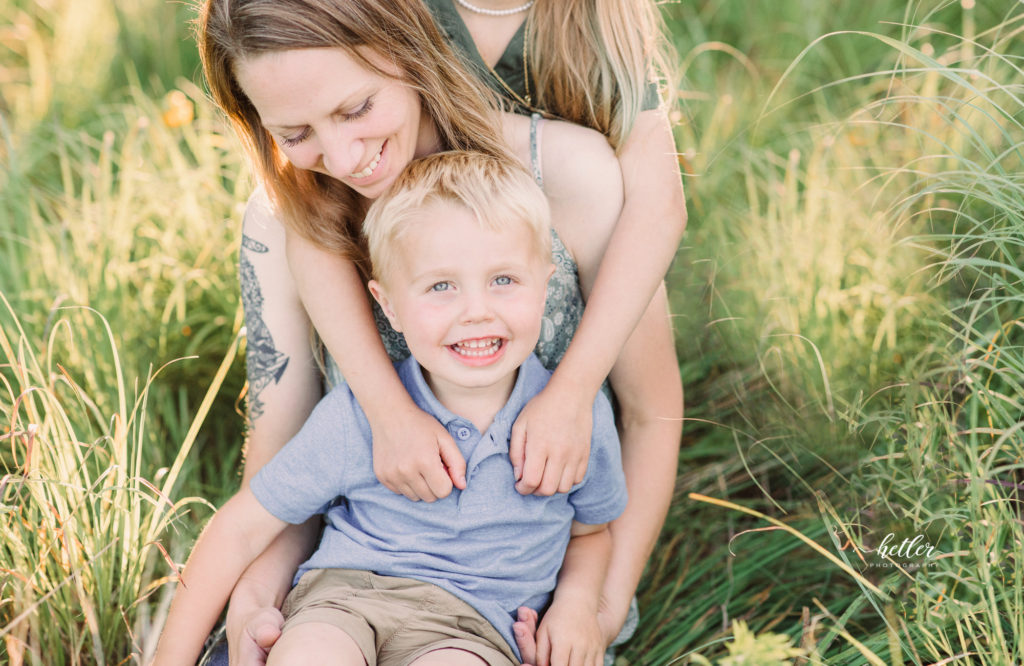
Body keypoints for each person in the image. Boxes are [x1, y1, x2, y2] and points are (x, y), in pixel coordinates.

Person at [193, 0, 682, 662]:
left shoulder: (563, 175)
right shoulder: (289, 217)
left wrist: (598, 609)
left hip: (514, 597)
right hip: (351, 576)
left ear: (407, 54)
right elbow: (283, 437)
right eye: (296, 132)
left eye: (356, 108)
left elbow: (652, 412)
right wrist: (254, 599)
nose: (341, 155)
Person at [153, 151, 628, 666]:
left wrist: (580, 606)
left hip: (477, 626)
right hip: (343, 599)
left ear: (545, 284)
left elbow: (591, 533)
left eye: (504, 280)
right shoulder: (359, 416)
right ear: (389, 306)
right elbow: (242, 526)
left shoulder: (572, 419)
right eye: (441, 286)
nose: (476, 311)